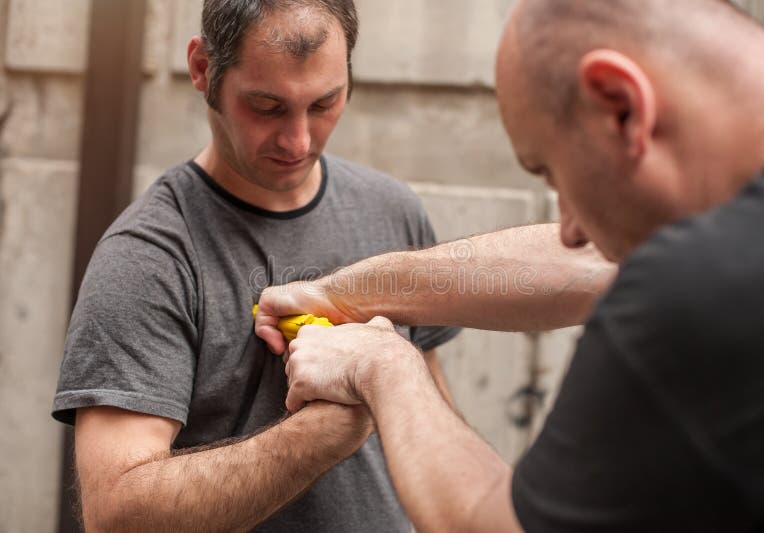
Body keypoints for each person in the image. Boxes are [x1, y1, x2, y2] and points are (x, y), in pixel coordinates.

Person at [255, 0, 764, 530]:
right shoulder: (759, 234)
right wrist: (345, 292)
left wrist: (384, 366)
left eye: (554, 174)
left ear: (622, 105)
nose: (568, 227)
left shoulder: (711, 286)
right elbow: (588, 262)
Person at [53, 1, 474, 531]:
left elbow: (434, 420)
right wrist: (329, 428)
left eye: (325, 102)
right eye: (266, 106)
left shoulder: (392, 210)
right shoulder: (147, 256)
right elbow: (117, 516)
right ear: (204, 69)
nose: (299, 141)